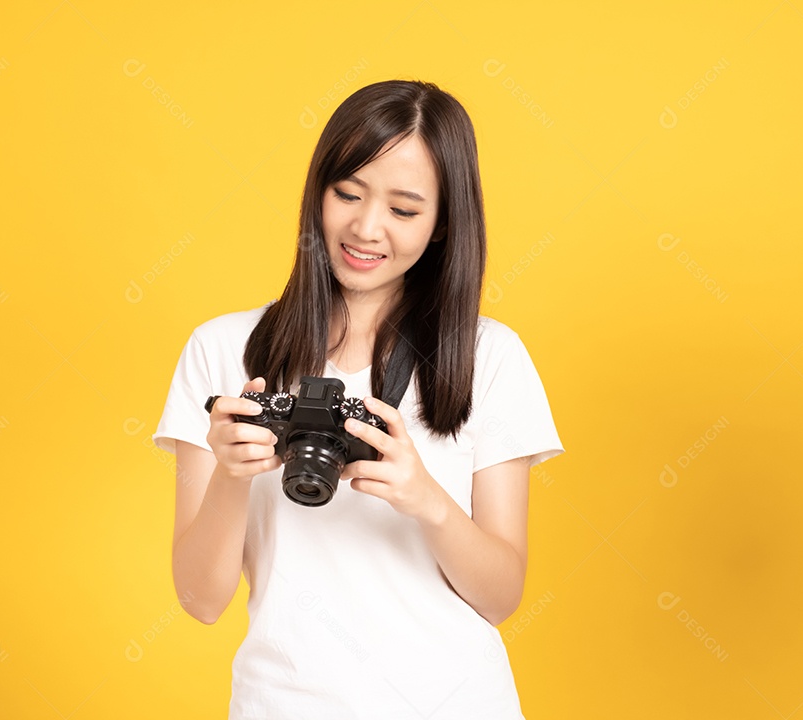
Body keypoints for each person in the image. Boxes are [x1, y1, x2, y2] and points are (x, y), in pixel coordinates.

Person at [153, 79, 564, 719]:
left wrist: (426, 498)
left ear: (442, 224)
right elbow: (200, 600)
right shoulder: (223, 350)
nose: (366, 228)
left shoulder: (490, 356)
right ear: (318, 189)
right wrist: (233, 476)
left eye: (403, 210)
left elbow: (501, 596)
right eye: (347, 193)